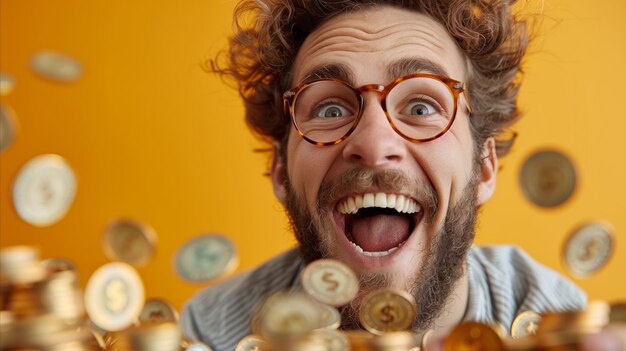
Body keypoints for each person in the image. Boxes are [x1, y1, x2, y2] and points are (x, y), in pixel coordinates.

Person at [181, 1, 623, 350]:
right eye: (330, 109)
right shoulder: (211, 332)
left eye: (421, 107)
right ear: (280, 170)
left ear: (484, 167)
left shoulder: (554, 321)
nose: (373, 145)